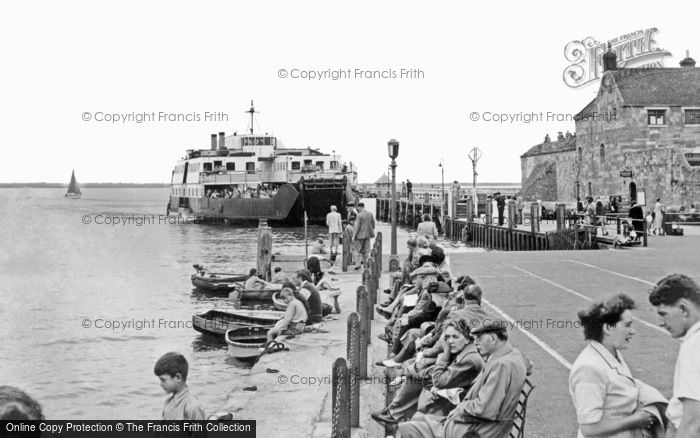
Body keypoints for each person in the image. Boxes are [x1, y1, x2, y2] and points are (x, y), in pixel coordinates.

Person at [397, 319, 532, 438]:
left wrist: (460, 408)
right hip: (486, 426)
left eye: (479, 338)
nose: (476, 342)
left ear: (493, 338)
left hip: (478, 431)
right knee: (418, 419)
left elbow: (485, 410)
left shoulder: (501, 365)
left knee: (408, 428)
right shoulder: (513, 354)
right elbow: (529, 366)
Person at [570, 294, 667, 437]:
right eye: (627, 325)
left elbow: (624, 384)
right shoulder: (589, 368)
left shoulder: (611, 354)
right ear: (608, 328)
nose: (632, 331)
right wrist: (636, 420)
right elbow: (589, 429)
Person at [371, 318, 484, 424]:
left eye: (455, 337)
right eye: (448, 337)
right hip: (456, 390)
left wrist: (444, 355)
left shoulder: (469, 359)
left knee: (416, 376)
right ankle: (396, 411)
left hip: (460, 402)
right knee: (415, 370)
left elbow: (439, 381)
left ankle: (395, 413)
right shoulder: (466, 349)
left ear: (467, 338)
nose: (450, 341)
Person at [649, 274, 700, 437]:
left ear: (684, 309)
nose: (661, 322)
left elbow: (693, 421)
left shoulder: (694, 347)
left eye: (663, 313)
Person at [154, 352, 205, 420]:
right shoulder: (168, 401)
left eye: (163, 380)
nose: (161, 384)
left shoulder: (192, 407)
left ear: (178, 378)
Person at [352, 202, 375, 270]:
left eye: (357, 208)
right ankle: (365, 264)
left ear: (359, 207)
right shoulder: (370, 214)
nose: (357, 209)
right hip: (367, 235)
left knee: (356, 250)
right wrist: (370, 230)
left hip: (359, 236)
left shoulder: (359, 215)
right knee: (366, 250)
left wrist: (354, 236)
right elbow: (373, 224)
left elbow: (357, 226)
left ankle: (358, 264)